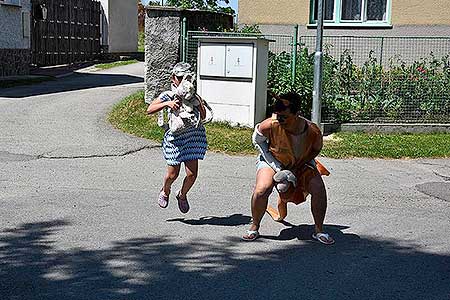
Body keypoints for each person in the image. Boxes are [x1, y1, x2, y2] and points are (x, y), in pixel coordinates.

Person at [242, 92, 335, 245]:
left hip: (300, 162)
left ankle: (319, 230)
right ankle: (254, 226)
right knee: (261, 189)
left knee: (318, 188)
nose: (279, 120)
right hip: (272, 159)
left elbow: (316, 149)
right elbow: (257, 141)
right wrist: (276, 166)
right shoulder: (269, 124)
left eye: (284, 116)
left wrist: (302, 163)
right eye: (277, 115)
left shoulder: (312, 131)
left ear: (297, 114)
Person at [146, 62, 207, 213]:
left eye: (188, 78)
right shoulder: (168, 95)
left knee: (192, 175)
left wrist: (199, 104)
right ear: (173, 78)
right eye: (180, 78)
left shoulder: (194, 96)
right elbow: (150, 109)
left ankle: (182, 195)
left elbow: (204, 116)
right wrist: (168, 104)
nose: (184, 81)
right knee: (172, 174)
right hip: (176, 139)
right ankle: (165, 191)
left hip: (193, 137)